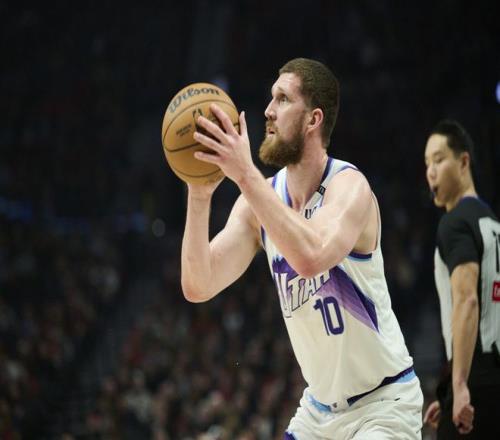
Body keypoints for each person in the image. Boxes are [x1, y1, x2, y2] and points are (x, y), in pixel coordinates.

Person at [181, 57, 423, 439]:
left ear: (313, 119)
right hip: (318, 413)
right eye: (270, 98)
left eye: (282, 99)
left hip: (383, 404)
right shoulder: (259, 202)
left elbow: (311, 257)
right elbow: (198, 284)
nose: (268, 110)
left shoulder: (349, 186)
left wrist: (244, 174)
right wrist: (198, 195)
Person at [423, 119, 500, 438]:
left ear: (463, 162)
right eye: (427, 164)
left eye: (439, 160)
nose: (431, 172)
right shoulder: (492, 223)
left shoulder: (455, 222)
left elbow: (467, 300)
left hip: (477, 379)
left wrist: (459, 385)